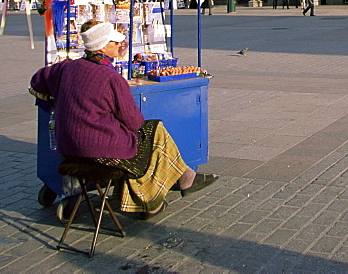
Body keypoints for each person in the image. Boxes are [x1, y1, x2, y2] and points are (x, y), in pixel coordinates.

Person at [30, 21, 217, 219]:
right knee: (154, 133)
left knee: (148, 135)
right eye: (115, 42)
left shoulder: (67, 68)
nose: (121, 45)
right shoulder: (111, 78)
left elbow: (37, 80)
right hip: (100, 151)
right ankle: (162, 193)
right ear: (102, 46)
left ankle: (183, 179)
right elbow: (134, 122)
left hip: (68, 147)